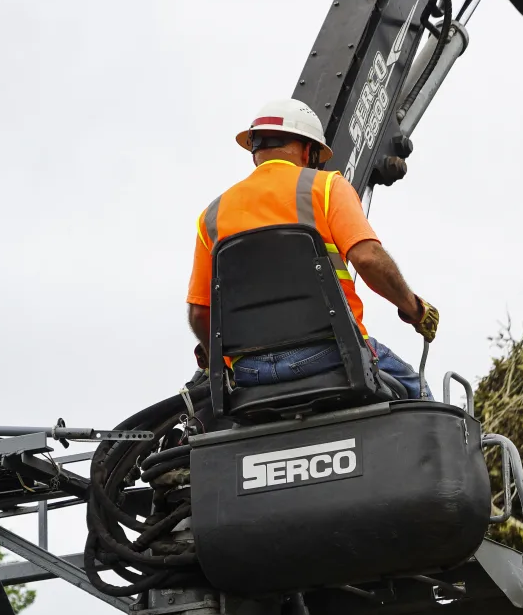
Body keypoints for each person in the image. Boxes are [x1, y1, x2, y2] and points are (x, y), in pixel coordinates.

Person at [185, 98, 439, 398]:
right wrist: (415, 309)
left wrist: (224, 367)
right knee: (417, 392)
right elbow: (368, 258)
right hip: (333, 355)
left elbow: (199, 314)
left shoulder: (212, 216)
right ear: (309, 150)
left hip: (251, 373)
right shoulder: (327, 186)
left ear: (255, 152)